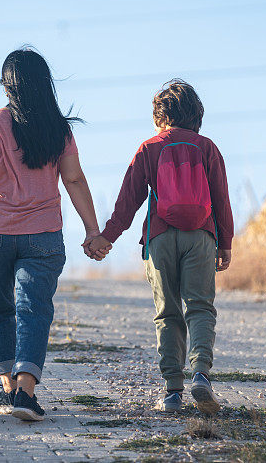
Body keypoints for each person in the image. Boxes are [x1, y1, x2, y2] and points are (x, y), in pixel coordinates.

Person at [0, 48, 100, 421]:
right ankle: (24, 393)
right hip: (43, 234)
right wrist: (92, 230)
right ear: (43, 85)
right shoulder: (57, 129)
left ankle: (7, 388)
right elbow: (74, 179)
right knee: (34, 310)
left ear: (6, 87)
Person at [84, 79, 233, 415]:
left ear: (160, 116)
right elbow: (221, 199)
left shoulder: (149, 147)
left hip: (160, 236)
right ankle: (201, 375)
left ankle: (172, 393)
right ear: (196, 114)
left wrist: (105, 237)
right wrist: (226, 243)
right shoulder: (207, 147)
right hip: (201, 237)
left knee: (168, 312)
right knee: (200, 307)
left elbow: (128, 200)